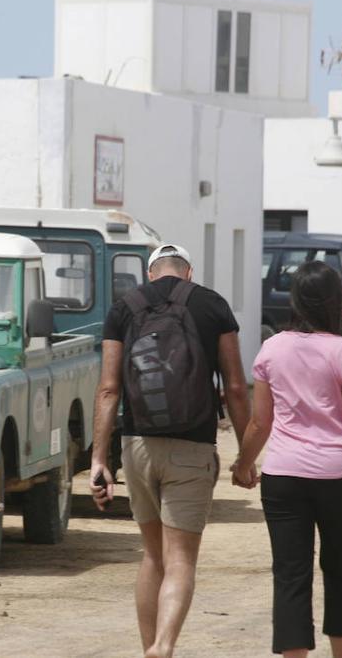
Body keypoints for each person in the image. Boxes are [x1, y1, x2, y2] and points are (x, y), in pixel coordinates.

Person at [90, 243, 252, 658]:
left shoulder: (123, 308)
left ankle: (150, 647)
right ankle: (163, 646)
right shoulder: (212, 305)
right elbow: (235, 386)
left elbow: (108, 389)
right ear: (189, 272)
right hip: (192, 447)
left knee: (152, 555)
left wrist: (98, 460)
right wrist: (246, 455)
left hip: (137, 445)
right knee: (180, 559)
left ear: (150, 273)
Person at [231, 260, 342, 658]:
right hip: (339, 478)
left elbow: (260, 422)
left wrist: (243, 464)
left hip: (283, 478)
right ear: (336, 301)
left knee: (290, 575)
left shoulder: (272, 348)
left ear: (295, 301)